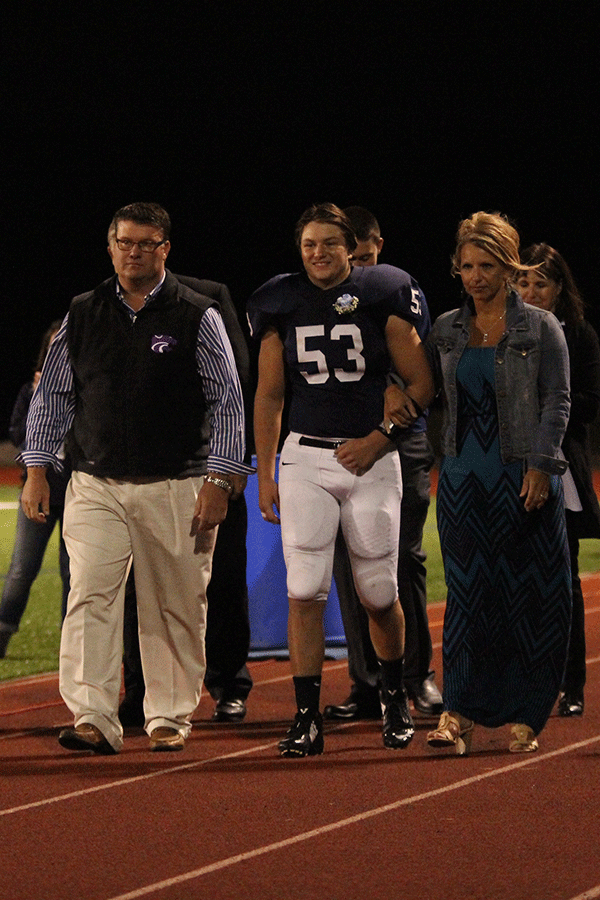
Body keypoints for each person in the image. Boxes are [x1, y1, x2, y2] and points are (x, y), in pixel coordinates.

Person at [21, 202, 249, 755]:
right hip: (95, 480)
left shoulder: (197, 313)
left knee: (174, 602)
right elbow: (52, 394)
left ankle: (170, 716)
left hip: (178, 483)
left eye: (146, 243)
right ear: (110, 247)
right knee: (89, 595)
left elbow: (227, 402)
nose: (133, 252)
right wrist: (35, 470)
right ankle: (93, 716)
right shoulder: (83, 311)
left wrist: (220, 480)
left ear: (165, 249)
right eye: (124, 242)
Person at [248, 202, 434, 757]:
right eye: (309, 244)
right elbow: (269, 395)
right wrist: (265, 472)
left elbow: (423, 382)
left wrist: (378, 440)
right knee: (303, 588)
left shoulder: (383, 292)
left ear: (351, 247)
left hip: (371, 460)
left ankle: (394, 696)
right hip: (306, 456)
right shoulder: (278, 300)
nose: (318, 253)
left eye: (330, 243)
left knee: (378, 592)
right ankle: (306, 716)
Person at [426, 212, 572, 756]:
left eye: (487, 266)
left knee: (530, 597)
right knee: (467, 597)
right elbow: (419, 384)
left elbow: (558, 399)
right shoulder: (445, 329)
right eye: (466, 266)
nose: (475, 276)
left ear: (510, 268)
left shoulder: (540, 327)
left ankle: (527, 713)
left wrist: (541, 464)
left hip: (523, 478)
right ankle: (457, 712)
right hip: (463, 482)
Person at [119, 274, 254, 727]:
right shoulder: (106, 304)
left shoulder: (207, 299)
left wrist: (228, 467)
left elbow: (235, 384)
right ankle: (138, 690)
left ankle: (229, 683)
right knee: (136, 589)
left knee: (221, 581)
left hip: (204, 468)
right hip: (138, 473)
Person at [323, 206, 442, 721]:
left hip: (401, 441)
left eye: (368, 256)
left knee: (400, 557)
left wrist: (393, 393)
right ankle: (367, 683)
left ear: (376, 245)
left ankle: (416, 678)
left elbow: (425, 367)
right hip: (341, 443)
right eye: (357, 258)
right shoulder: (322, 291)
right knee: (349, 565)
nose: (363, 267)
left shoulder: (398, 289)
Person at [517, 243, 600, 717]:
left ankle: (572, 684)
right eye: (523, 282)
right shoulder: (499, 330)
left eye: (541, 283)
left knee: (562, 582)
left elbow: (588, 402)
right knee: (513, 584)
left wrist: (548, 403)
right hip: (505, 469)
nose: (531, 291)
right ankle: (522, 680)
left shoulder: (580, 335)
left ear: (559, 288)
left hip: (559, 470)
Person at [0, 322, 70, 659]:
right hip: (38, 491)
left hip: (77, 493)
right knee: (22, 568)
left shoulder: (86, 389)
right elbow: (16, 431)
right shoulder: (31, 389)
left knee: (75, 575)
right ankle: (2, 633)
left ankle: (72, 645)